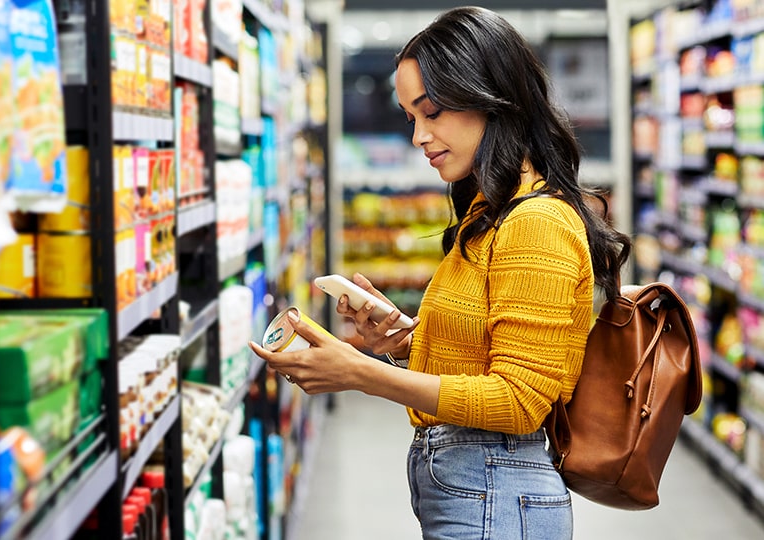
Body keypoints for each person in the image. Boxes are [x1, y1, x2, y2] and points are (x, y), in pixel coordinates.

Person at [249, 6, 632, 540]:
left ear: (491, 99)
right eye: (411, 117)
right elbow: (485, 354)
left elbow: (519, 402)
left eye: (432, 113)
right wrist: (404, 338)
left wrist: (361, 374)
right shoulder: (490, 210)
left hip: (497, 490)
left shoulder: (538, 221)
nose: (419, 137)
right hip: (480, 487)